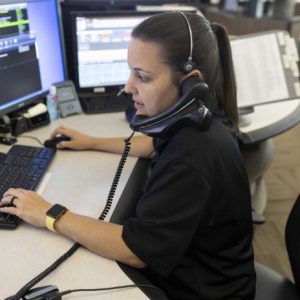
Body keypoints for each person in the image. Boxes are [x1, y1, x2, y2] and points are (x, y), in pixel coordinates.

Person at [0, 11, 255, 299]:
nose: (127, 87)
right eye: (131, 71)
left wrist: (48, 214)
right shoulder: (199, 119)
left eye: (142, 77)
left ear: (189, 83)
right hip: (199, 271)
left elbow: (135, 250)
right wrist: (91, 141)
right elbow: (154, 145)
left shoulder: (194, 154)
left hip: (198, 291)